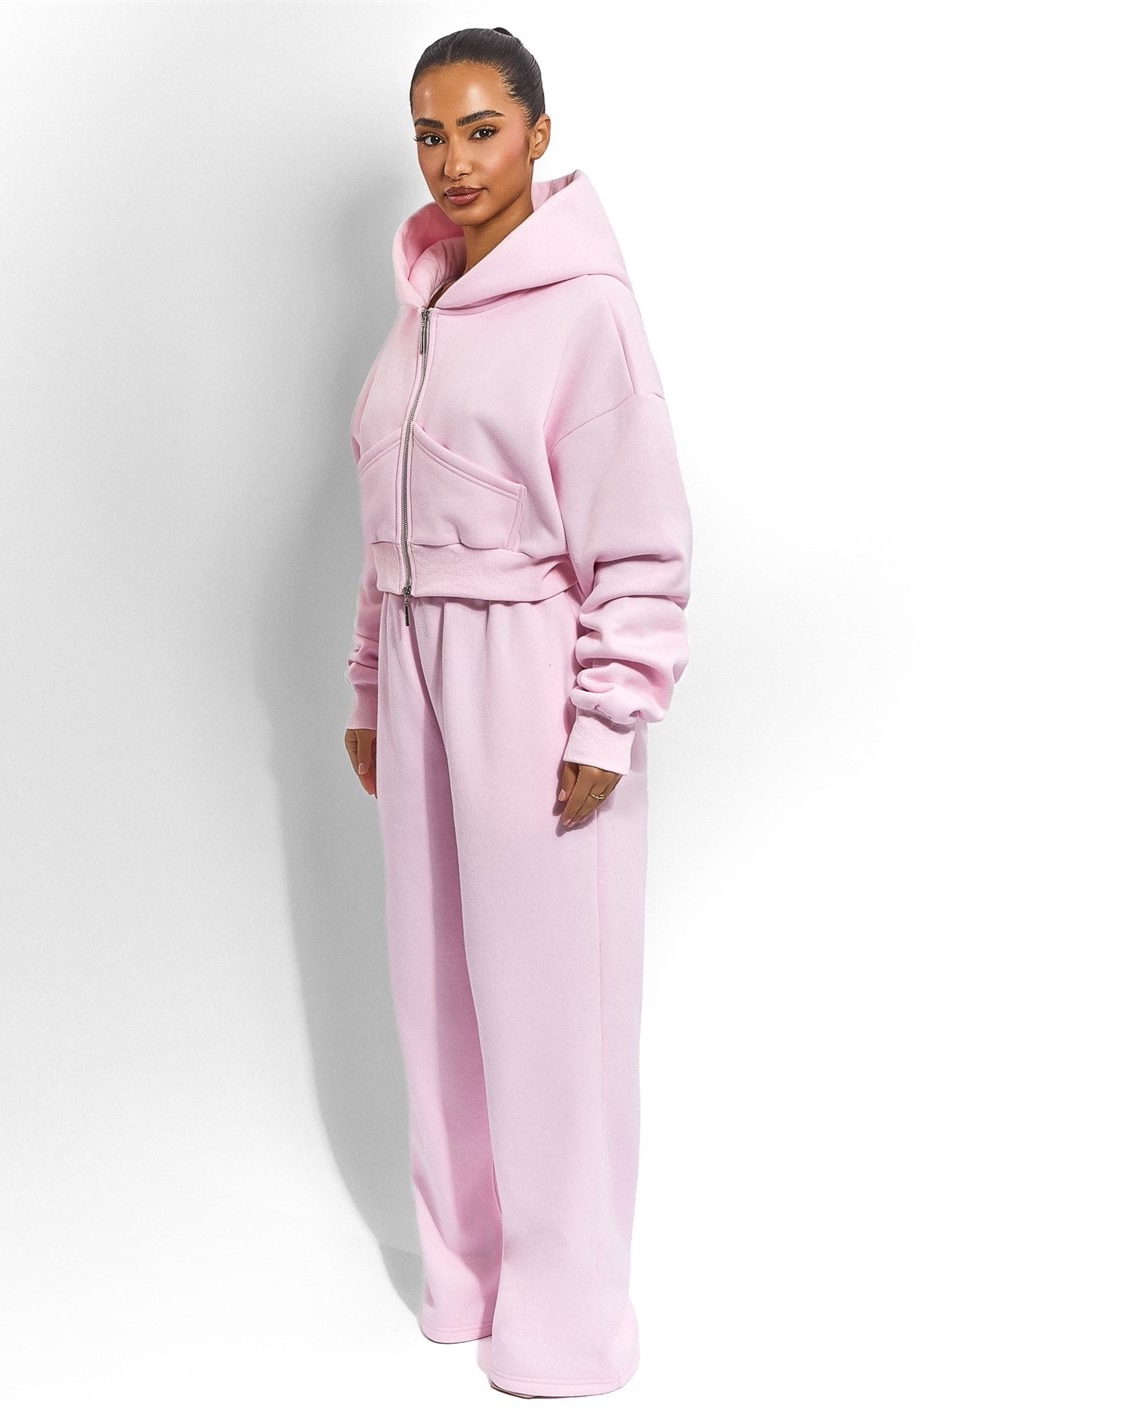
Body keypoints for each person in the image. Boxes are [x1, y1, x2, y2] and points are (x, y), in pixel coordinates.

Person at [341, 26, 693, 1400]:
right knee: (436, 987)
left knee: (552, 1006)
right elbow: (385, 523)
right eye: (431, 135)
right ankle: (468, 1276)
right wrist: (371, 683)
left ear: (538, 134)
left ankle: (571, 1322)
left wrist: (606, 716)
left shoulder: (586, 310)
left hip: (528, 672)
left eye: (482, 129)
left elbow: (642, 535)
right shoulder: (419, 311)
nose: (454, 160)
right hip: (419, 675)